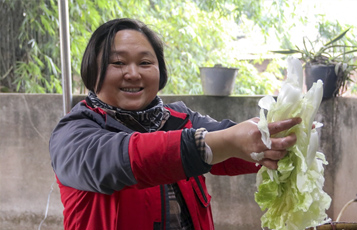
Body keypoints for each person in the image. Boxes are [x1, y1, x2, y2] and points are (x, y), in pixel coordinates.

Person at [49, 18, 300, 230]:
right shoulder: (73, 134)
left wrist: (277, 143)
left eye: (145, 63)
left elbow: (233, 142)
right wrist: (222, 141)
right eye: (118, 63)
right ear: (92, 71)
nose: (134, 73)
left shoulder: (180, 120)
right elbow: (126, 158)